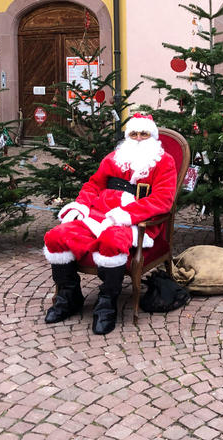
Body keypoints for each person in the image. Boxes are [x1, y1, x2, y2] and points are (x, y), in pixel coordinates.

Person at [43, 113, 177, 334]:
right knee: (56, 236)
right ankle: (69, 297)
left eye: (144, 134)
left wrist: (126, 215)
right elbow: (93, 185)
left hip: (136, 222)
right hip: (98, 215)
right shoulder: (114, 157)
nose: (138, 138)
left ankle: (107, 304)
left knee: (112, 241)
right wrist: (80, 206)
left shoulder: (164, 162)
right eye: (134, 134)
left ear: (152, 136)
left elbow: (162, 200)